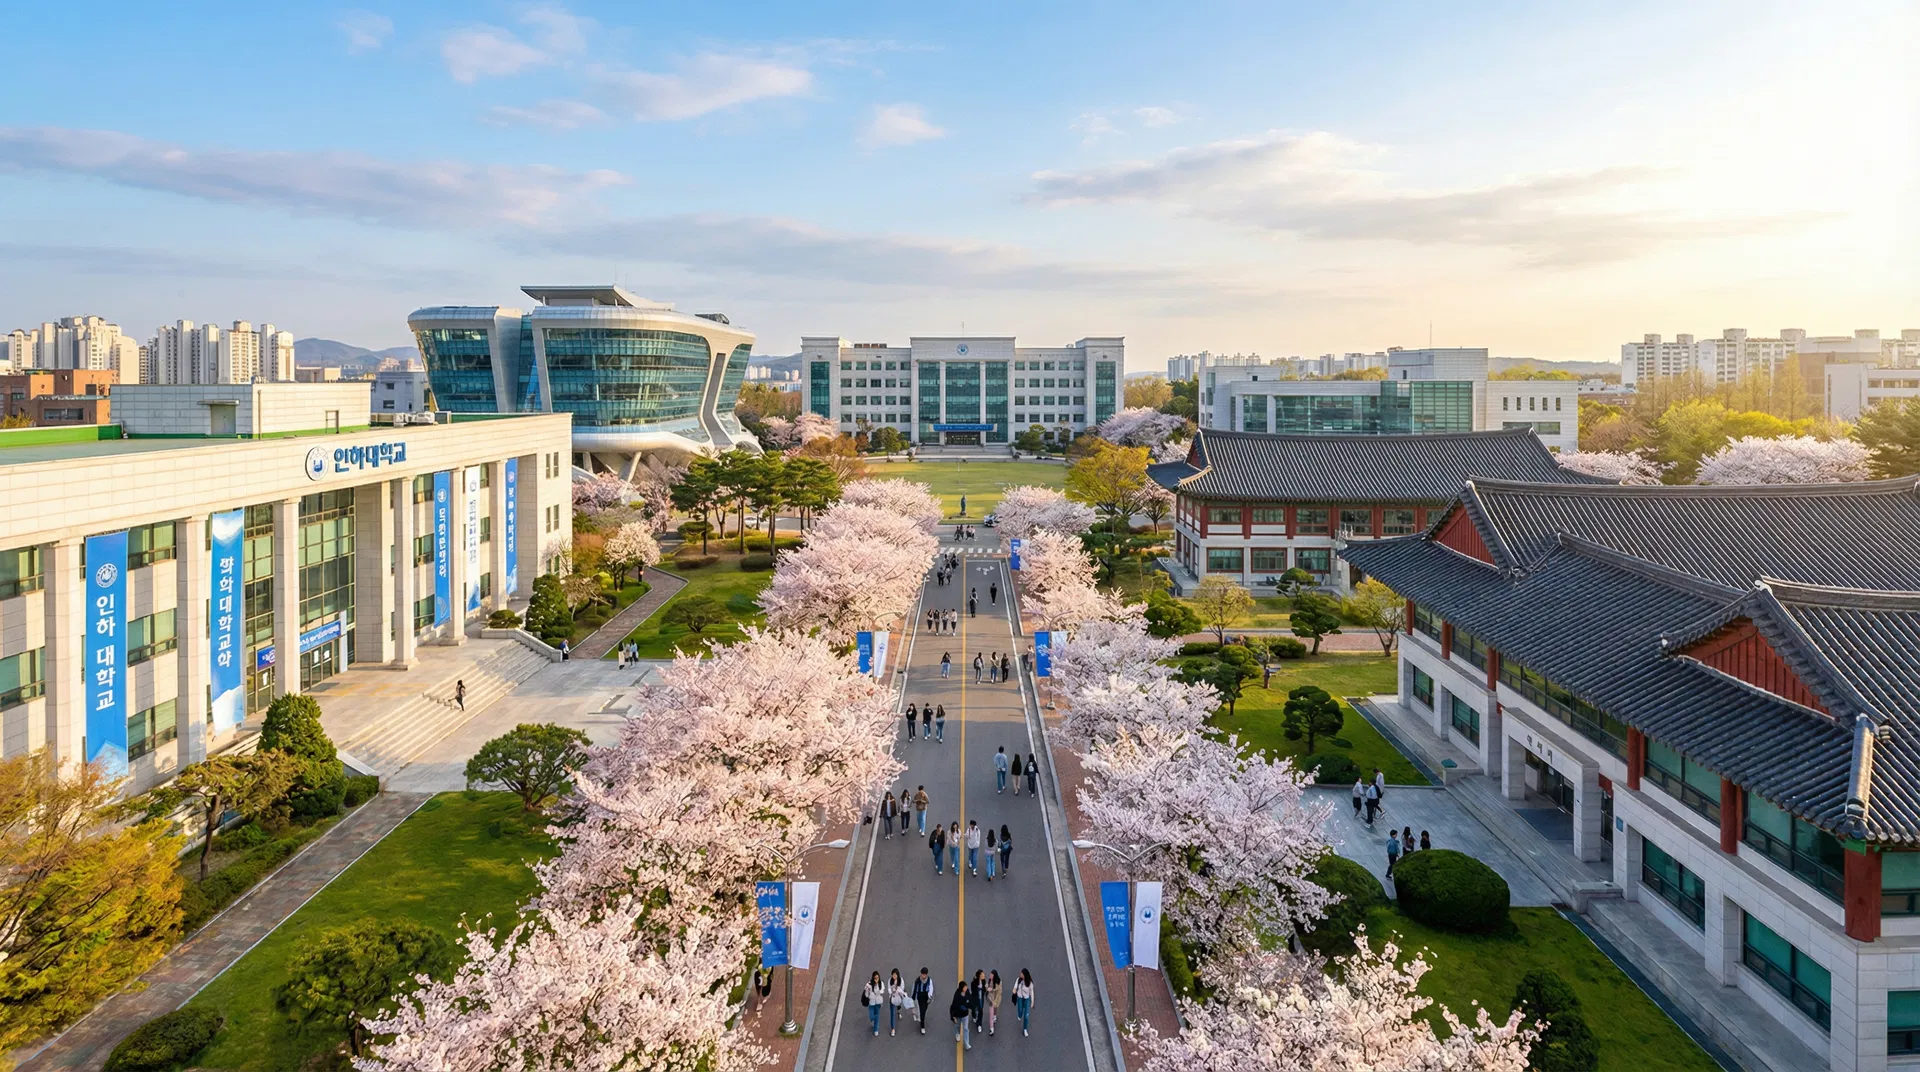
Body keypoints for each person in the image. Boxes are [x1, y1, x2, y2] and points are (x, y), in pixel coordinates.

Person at [950, 981, 973, 1048]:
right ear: (961, 988)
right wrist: (953, 1016)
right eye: (965, 987)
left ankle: (966, 1043)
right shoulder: (957, 996)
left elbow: (970, 999)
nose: (966, 988)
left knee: (966, 1028)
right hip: (958, 1014)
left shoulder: (967, 992)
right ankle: (957, 1033)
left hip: (965, 1014)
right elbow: (953, 1006)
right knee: (957, 1025)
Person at [1013, 969, 1034, 1037]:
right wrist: (1014, 990)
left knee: (1026, 1015)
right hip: (1020, 998)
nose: (1020, 974)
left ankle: (1025, 1029)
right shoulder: (1018, 980)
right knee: (1020, 1010)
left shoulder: (1030, 983)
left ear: (1025, 975)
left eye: (1022, 973)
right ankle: (1019, 1015)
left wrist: (1032, 1002)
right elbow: (1015, 986)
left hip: (1026, 999)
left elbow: (1032, 993)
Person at [913, 968, 934, 1034]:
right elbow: (915, 988)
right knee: (922, 1011)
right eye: (922, 974)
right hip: (920, 996)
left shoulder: (929, 980)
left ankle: (921, 1017)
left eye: (924, 974)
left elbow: (931, 988)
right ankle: (922, 1026)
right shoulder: (917, 980)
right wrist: (913, 997)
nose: (923, 976)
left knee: (924, 1009)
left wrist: (930, 995)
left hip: (926, 996)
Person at [887, 968, 907, 1036]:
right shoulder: (890, 980)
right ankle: (893, 1029)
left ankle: (898, 1012)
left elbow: (902, 988)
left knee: (898, 1007)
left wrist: (898, 990)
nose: (894, 976)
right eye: (893, 975)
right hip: (892, 998)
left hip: (899, 997)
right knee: (892, 1013)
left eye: (895, 975)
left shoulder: (901, 980)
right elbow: (889, 989)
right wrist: (892, 991)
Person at [864, 971, 885, 1036]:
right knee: (871, 1016)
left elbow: (881, 992)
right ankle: (874, 1020)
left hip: (878, 1002)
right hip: (872, 1003)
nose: (876, 979)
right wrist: (867, 989)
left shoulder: (881, 983)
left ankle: (876, 1029)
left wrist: (877, 988)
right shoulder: (869, 984)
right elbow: (866, 995)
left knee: (877, 1014)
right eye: (875, 978)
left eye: (877, 978)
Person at [969, 970, 988, 1037]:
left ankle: (979, 1024)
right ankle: (974, 1016)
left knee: (980, 1010)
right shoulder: (973, 983)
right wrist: (979, 989)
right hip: (975, 998)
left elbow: (985, 990)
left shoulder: (984, 981)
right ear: (979, 976)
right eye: (982, 975)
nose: (984, 976)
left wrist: (985, 988)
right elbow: (973, 991)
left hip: (981, 999)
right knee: (974, 1009)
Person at [987, 970, 1003, 1036]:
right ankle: (991, 1029)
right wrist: (987, 988)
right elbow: (988, 987)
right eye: (990, 974)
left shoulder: (998, 982)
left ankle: (995, 1016)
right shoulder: (990, 980)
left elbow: (999, 992)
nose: (990, 976)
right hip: (991, 999)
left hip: (996, 1000)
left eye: (991, 975)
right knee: (991, 1015)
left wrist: (992, 990)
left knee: (995, 1009)